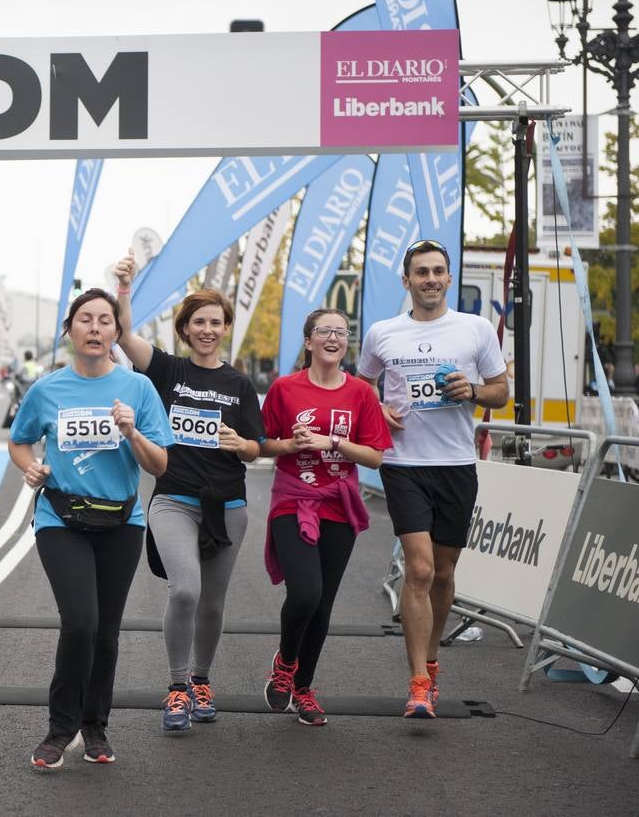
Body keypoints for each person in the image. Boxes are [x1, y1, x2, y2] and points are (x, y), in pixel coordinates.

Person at [8, 288, 173, 770]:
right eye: (86, 319)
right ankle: (60, 729)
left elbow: (160, 464)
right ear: (71, 331)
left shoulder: (139, 389)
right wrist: (32, 467)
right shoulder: (47, 390)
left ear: (116, 333)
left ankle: (94, 724)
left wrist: (132, 432)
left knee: (106, 632)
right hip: (61, 519)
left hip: (121, 522)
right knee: (80, 623)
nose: (96, 328)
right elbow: (19, 443)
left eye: (105, 320)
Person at [356, 239, 509, 718]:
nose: (430, 279)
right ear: (407, 281)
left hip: (456, 465)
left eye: (438, 271)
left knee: (444, 572)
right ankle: (418, 683)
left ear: (448, 277)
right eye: (421, 272)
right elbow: (361, 384)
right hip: (403, 466)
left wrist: (475, 391)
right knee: (419, 569)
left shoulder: (475, 328)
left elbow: (501, 393)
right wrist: (377, 406)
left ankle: (433, 661)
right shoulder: (384, 332)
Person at [112, 251, 263, 731]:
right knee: (186, 591)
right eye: (199, 321)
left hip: (229, 506)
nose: (207, 329)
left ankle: (202, 679)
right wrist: (124, 289)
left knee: (214, 603)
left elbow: (256, 446)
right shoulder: (168, 371)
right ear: (185, 328)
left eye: (216, 322)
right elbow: (122, 335)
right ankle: (177, 686)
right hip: (175, 498)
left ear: (225, 328)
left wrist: (244, 444)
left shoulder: (240, 384)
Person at [260, 308, 391, 726]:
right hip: (293, 499)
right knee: (305, 593)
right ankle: (285, 663)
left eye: (341, 332)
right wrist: (288, 446)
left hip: (339, 504)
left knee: (323, 604)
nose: (333, 338)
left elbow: (374, 455)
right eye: (324, 331)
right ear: (309, 340)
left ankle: (303, 688)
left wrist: (330, 441)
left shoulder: (360, 394)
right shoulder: (284, 388)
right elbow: (262, 445)